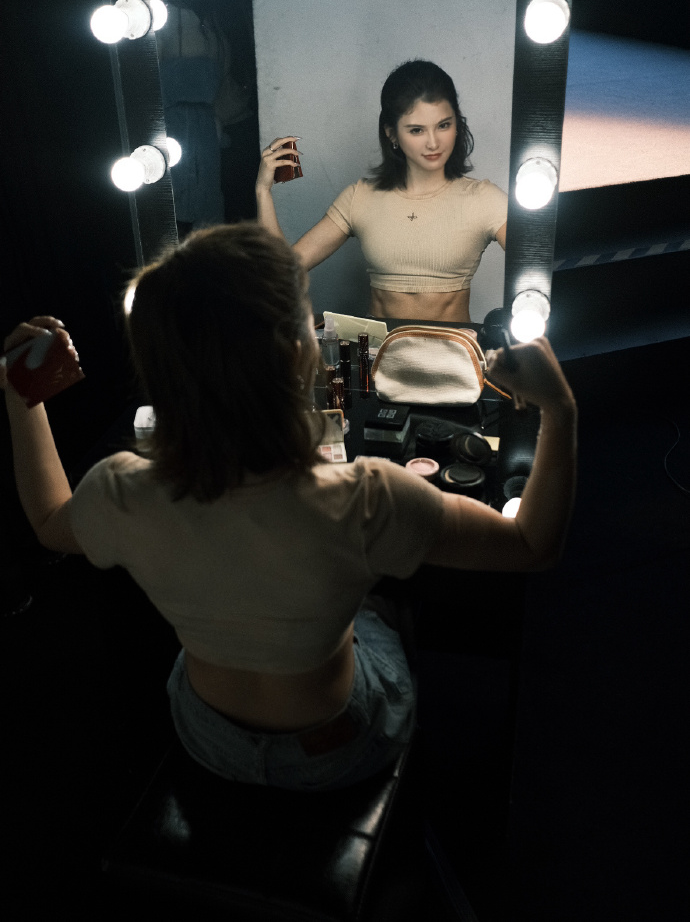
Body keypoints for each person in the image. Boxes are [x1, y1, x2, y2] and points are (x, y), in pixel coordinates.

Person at [2, 223, 576, 791]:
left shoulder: (122, 491)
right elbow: (531, 545)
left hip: (206, 734)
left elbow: (50, 520)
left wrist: (20, 395)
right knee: (384, 609)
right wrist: (559, 408)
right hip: (334, 749)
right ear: (301, 353)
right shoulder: (367, 499)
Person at [256, 59, 508, 323]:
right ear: (392, 134)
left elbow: (533, 269)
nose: (433, 142)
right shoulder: (360, 197)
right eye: (417, 130)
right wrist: (263, 191)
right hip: (378, 349)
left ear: (457, 124)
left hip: (452, 348)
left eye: (443, 125)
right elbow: (282, 272)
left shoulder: (483, 199)